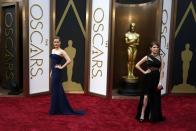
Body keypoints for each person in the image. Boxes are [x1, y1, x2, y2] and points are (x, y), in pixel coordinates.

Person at [49, 36, 84, 115]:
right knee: (55, 89)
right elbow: (52, 63)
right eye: (55, 42)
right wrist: (51, 71)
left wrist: (61, 67)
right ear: (53, 43)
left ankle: (56, 109)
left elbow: (69, 60)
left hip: (57, 72)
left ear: (60, 43)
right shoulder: (53, 50)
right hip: (53, 71)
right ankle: (57, 108)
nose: (56, 43)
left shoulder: (62, 51)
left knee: (56, 89)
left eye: (57, 42)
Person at [135, 41, 165, 122]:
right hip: (148, 79)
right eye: (154, 47)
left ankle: (153, 115)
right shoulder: (147, 57)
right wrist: (144, 72)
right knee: (145, 97)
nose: (156, 49)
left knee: (155, 98)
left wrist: (160, 82)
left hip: (156, 79)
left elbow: (162, 70)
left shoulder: (161, 58)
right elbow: (137, 65)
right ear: (150, 48)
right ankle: (142, 113)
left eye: (157, 47)